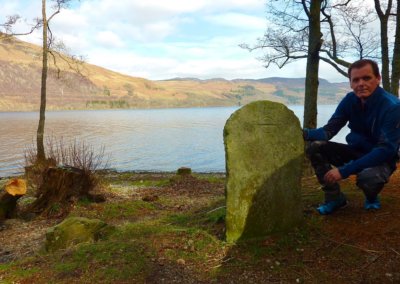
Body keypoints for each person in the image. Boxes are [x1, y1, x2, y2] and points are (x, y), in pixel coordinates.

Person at [303, 59, 400, 215]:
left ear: (378, 78)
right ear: (350, 83)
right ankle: (334, 198)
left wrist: (344, 171)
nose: (360, 83)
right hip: (356, 151)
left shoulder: (393, 107)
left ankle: (371, 196)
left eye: (366, 78)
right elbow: (328, 131)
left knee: (368, 178)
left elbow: (386, 150)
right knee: (315, 147)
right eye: (355, 80)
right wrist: (303, 133)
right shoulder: (349, 100)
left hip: (382, 158)